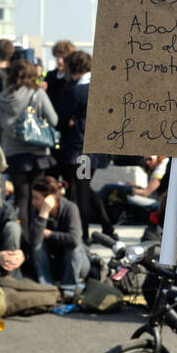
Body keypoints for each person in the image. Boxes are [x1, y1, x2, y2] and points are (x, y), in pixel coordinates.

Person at [0, 59, 59, 240]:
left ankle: (23, 240)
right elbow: (54, 120)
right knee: (37, 197)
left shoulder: (2, 98)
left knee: (21, 198)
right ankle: (36, 240)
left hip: (13, 153)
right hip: (37, 152)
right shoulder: (37, 94)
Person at [56, 49, 113, 240]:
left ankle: (86, 232)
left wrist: (71, 122)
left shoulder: (75, 91)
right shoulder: (103, 86)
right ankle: (107, 226)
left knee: (81, 191)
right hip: (96, 149)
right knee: (85, 187)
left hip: (79, 150)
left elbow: (62, 120)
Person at [26, 174, 89, 291]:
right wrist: (44, 213)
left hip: (77, 265)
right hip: (55, 265)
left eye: (36, 198)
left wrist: (49, 234)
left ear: (49, 198)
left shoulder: (70, 208)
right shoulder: (39, 212)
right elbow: (34, 243)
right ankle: (47, 287)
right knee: (38, 245)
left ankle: (69, 289)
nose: (33, 202)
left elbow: (74, 240)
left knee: (73, 247)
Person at [44, 39, 74, 109]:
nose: (60, 61)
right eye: (58, 56)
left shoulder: (72, 77)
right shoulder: (50, 75)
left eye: (63, 57)